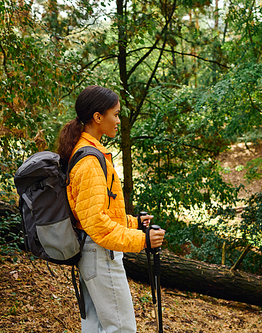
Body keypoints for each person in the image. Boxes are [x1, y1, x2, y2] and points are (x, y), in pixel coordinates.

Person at [57, 85, 165, 333]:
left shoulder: (89, 154)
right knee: (122, 329)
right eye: (115, 114)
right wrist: (143, 240)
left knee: (95, 328)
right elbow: (97, 224)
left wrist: (134, 223)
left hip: (91, 253)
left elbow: (100, 213)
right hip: (100, 254)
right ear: (97, 117)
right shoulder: (90, 162)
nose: (118, 120)